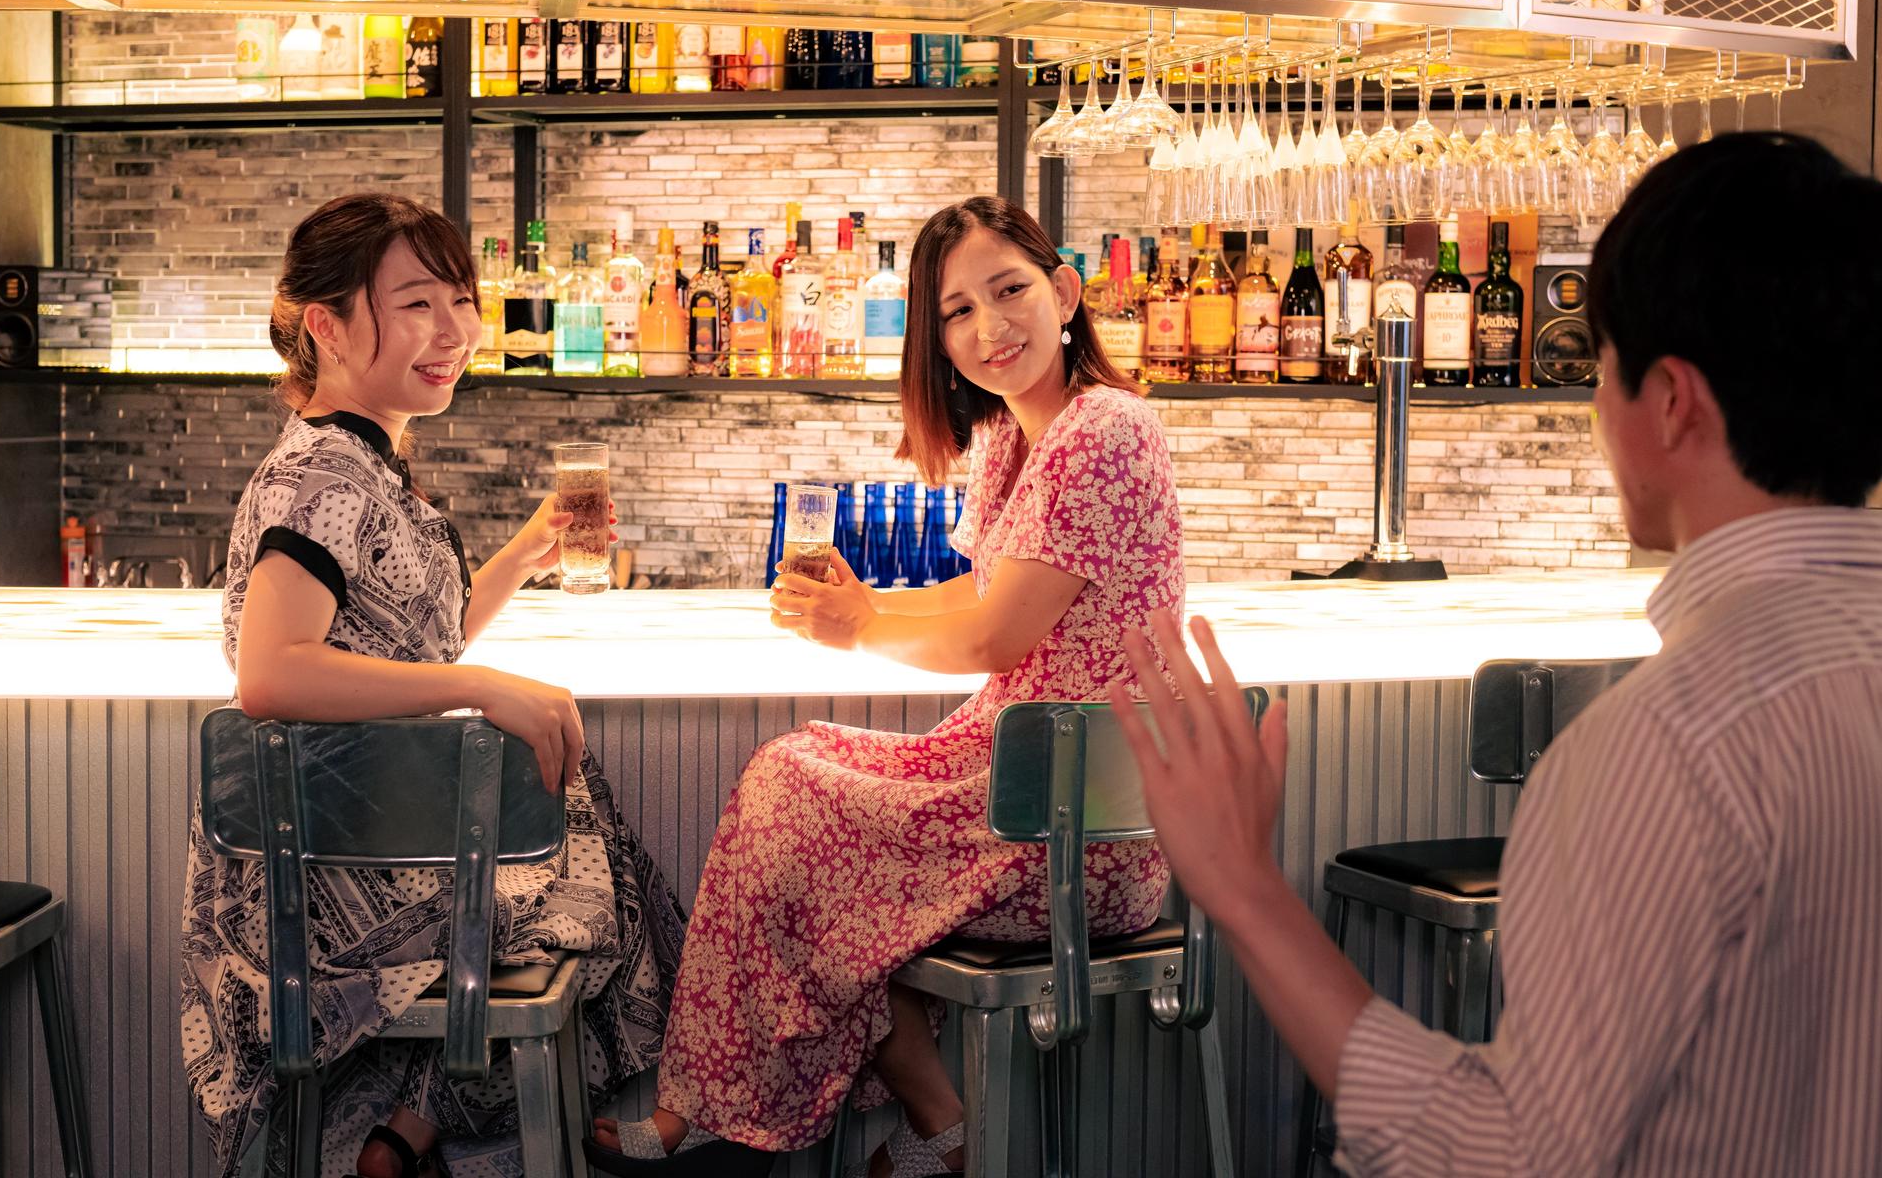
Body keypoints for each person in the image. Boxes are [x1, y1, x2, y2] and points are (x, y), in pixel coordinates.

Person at [1108, 132, 1882, 1175]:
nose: (1595, 406)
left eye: (1603, 368)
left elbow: (1509, 1155)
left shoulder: (1661, 747)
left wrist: (1243, 886)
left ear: (1670, 403)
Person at [587, 196, 1184, 1177]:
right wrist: (863, 606)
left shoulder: (1104, 428)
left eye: (1010, 291)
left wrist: (860, 630)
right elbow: (977, 591)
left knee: (796, 805)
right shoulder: (1014, 436)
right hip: (1016, 784)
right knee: (794, 773)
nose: (990, 326)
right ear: (936, 340)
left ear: (1066, 292)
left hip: (1074, 828)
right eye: (958, 311)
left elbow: (993, 635)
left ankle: (720, 1124)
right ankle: (929, 1120)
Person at [179, 193, 687, 1178]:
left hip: (349, 866)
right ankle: (670, 1116)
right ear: (326, 325)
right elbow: (271, 673)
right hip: (333, 898)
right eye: (416, 303)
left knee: (585, 835)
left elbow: (410, 647)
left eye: (462, 300)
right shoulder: (323, 477)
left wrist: (525, 555)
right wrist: (487, 687)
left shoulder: (359, 462)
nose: (455, 330)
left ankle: (405, 1129)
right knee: (602, 885)